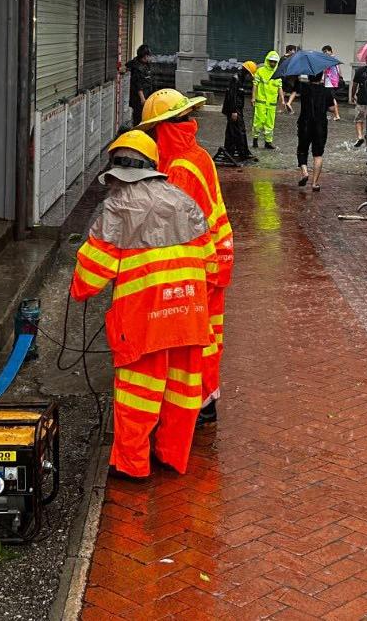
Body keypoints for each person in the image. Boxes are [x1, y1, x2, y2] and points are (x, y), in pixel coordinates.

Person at [70, 131, 213, 478]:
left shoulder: (118, 207)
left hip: (144, 320)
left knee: (138, 395)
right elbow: (208, 261)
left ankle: (133, 465)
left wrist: (79, 290)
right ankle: (172, 456)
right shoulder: (184, 200)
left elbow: (90, 276)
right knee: (182, 392)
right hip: (190, 315)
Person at [139, 89, 234, 425]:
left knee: (196, 339)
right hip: (216, 259)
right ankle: (207, 398)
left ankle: (199, 405)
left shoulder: (179, 170)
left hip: (201, 265)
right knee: (210, 334)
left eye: (153, 132)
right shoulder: (198, 155)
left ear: (163, 129)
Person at [295, 72, 331, 191]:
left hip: (305, 124)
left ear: (309, 77)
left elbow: (294, 88)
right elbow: (331, 107)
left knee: (302, 149)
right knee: (318, 154)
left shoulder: (304, 88)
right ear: (321, 77)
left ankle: (305, 172)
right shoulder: (326, 91)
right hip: (320, 125)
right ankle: (315, 183)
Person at [216, 60, 257, 165]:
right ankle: (242, 153)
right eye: (249, 74)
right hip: (234, 109)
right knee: (240, 130)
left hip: (236, 109)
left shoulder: (240, 79)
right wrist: (234, 111)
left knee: (231, 130)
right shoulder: (236, 79)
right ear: (246, 71)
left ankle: (230, 150)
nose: (249, 76)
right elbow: (232, 96)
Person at [251, 51, 282, 150]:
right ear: (267, 61)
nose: (272, 63)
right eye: (271, 61)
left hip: (272, 103)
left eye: (274, 62)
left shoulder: (278, 73)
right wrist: (253, 97)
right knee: (258, 121)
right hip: (261, 101)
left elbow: (279, 87)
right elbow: (255, 84)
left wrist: (282, 99)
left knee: (270, 123)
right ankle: (255, 139)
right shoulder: (260, 71)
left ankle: (268, 142)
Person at [127, 45, 154, 126]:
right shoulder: (137, 67)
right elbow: (138, 84)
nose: (150, 58)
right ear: (145, 56)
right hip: (139, 98)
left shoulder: (144, 63)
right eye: (149, 56)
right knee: (139, 116)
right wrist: (142, 99)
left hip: (147, 93)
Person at [322, 45, 342, 121]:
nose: (325, 53)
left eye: (326, 51)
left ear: (330, 51)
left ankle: (337, 115)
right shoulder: (335, 58)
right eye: (324, 52)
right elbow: (339, 70)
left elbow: (325, 71)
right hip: (333, 82)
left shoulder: (330, 59)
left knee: (332, 98)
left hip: (330, 82)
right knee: (328, 98)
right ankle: (328, 114)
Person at [280, 44, 299, 114]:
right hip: (293, 77)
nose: (295, 52)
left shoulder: (282, 58)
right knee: (295, 90)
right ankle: (289, 103)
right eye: (294, 50)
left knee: (282, 92)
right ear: (290, 50)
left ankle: (281, 108)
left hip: (284, 77)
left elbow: (280, 68)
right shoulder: (293, 58)